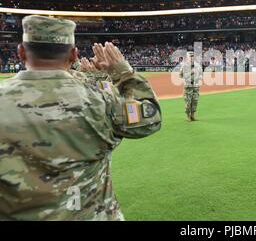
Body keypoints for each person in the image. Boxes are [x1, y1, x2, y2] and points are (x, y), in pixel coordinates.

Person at [0, 15, 162, 221]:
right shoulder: (101, 100)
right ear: (74, 54)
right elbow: (151, 116)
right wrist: (123, 72)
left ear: (21, 52)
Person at [179, 51, 203, 121]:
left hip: (196, 86)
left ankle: (193, 115)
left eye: (193, 56)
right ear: (187, 57)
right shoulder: (184, 65)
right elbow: (180, 75)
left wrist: (198, 77)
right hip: (188, 86)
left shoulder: (198, 66)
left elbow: (201, 74)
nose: (191, 57)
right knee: (188, 101)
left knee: (195, 101)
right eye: (190, 56)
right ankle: (188, 116)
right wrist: (189, 74)